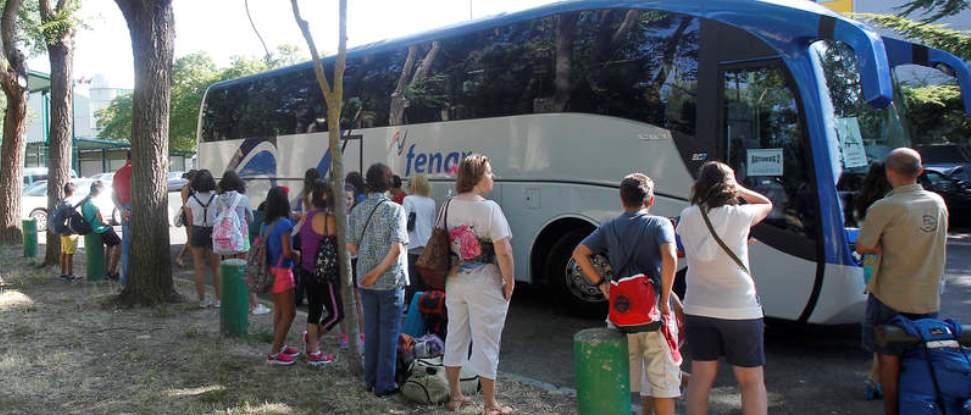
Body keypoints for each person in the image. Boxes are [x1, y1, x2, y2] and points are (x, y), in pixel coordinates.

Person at [573, 173, 680, 415]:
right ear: (650, 200)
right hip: (654, 315)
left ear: (622, 200)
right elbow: (670, 258)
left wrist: (601, 283)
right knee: (662, 384)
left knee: (621, 379)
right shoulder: (660, 224)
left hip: (621, 314)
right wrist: (664, 300)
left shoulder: (609, 227)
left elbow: (579, 253)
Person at [676, 161, 773, 415]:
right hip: (740, 309)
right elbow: (767, 204)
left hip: (697, 307)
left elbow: (700, 247)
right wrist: (740, 188)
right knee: (751, 381)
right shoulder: (739, 215)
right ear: (729, 187)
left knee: (701, 377)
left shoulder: (688, 216)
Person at [856, 148, 948, 415]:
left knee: (889, 359)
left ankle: (893, 410)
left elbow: (863, 246)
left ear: (889, 173)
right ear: (920, 171)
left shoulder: (884, 207)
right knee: (919, 356)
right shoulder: (937, 202)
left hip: (891, 294)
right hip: (928, 295)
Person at [440, 154, 515, 415]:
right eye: (489, 172)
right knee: (486, 340)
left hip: (455, 279)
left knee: (455, 335)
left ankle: (455, 395)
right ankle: (490, 404)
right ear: (477, 177)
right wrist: (509, 281)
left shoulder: (448, 205)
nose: (493, 176)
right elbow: (503, 250)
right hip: (485, 281)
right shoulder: (489, 208)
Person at [348, 163, 409, 396]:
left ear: (368, 183)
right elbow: (397, 247)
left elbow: (351, 246)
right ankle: (385, 384)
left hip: (365, 278)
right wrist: (378, 271)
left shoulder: (357, 210)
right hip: (390, 279)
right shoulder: (396, 210)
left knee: (371, 331)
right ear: (388, 183)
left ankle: (369, 379)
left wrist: (369, 263)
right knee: (389, 332)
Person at [854, 162, 892, 399]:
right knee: (889, 328)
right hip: (885, 266)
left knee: (879, 318)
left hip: (870, 265)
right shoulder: (888, 206)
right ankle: (876, 379)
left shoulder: (864, 202)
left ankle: (874, 379)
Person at [299, 179, 343, 366]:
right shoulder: (329, 220)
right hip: (325, 274)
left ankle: (314, 352)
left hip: (307, 271)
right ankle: (312, 340)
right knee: (337, 313)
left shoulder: (306, 217)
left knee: (314, 311)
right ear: (326, 196)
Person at [216, 170, 269, 316]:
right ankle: (254, 305)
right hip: (241, 237)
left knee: (228, 269)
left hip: (225, 238)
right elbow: (250, 218)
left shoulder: (219, 199)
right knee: (246, 270)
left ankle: (230, 302)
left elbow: (218, 216)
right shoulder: (243, 199)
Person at [263, 186, 301, 366]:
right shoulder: (285, 224)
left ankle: (280, 345)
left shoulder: (265, 224)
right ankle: (274, 353)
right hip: (284, 273)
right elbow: (287, 252)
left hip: (271, 271)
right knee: (289, 313)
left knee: (279, 311)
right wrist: (297, 255)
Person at [184, 169, 221, 308]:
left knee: (198, 267)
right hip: (213, 231)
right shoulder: (216, 199)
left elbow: (189, 221)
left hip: (197, 231)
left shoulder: (191, 200)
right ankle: (219, 299)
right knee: (216, 267)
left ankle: (202, 300)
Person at [402, 174, 435, 305]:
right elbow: (432, 223)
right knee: (425, 280)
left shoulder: (408, 200)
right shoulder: (431, 202)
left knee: (411, 279)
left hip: (412, 244)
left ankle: (412, 307)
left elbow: (403, 221)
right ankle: (425, 306)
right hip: (427, 245)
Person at [83, 180, 122, 280]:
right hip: (101, 229)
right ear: (99, 192)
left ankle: (106, 270)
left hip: (93, 229)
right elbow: (102, 220)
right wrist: (110, 224)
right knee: (120, 245)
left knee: (110, 246)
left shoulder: (85, 203)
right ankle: (112, 271)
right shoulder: (95, 204)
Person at [344, 183, 365, 350]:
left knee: (358, 298)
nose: (346, 201)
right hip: (342, 260)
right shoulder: (334, 216)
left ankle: (362, 333)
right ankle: (346, 335)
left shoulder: (357, 216)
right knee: (344, 298)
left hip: (356, 260)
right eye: (343, 198)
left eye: (349, 198)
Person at [113, 151, 132, 283]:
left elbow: (113, 195)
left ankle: (124, 277)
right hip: (134, 206)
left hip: (124, 208)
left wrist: (121, 209)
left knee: (126, 243)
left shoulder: (118, 173)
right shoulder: (137, 172)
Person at [58, 182, 80, 281]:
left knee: (63, 252)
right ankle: (70, 274)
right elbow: (73, 218)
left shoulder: (62, 202)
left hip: (62, 231)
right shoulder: (70, 203)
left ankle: (63, 273)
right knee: (70, 254)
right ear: (72, 192)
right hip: (70, 232)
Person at [175, 170, 197, 267]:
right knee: (190, 240)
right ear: (190, 179)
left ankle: (185, 258)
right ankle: (180, 257)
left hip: (195, 215)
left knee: (192, 239)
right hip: (188, 216)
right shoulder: (186, 189)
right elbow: (185, 205)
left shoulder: (195, 187)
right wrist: (189, 219)